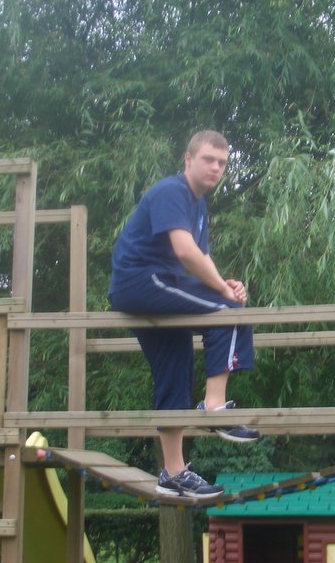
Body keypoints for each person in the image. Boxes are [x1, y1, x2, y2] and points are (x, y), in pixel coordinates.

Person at [108, 130, 259, 499]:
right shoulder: (172, 191)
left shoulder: (198, 205)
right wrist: (224, 293)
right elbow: (185, 252)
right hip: (142, 280)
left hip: (159, 285)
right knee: (229, 311)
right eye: (208, 159)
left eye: (222, 162)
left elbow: (201, 255)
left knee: (175, 367)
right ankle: (214, 407)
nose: (216, 167)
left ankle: (173, 473)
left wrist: (224, 284)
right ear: (188, 159)